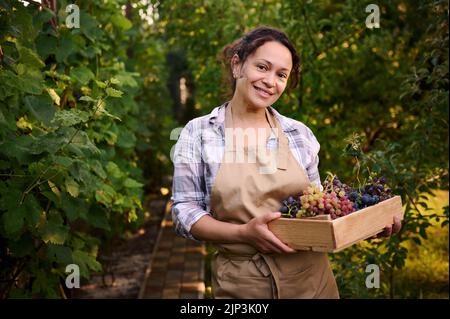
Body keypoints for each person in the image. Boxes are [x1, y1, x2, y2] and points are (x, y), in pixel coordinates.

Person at [170, 25, 401, 299]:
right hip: (242, 284)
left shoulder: (299, 134)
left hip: (312, 281)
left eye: (281, 74)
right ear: (237, 66)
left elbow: (317, 211)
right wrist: (243, 233)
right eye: (262, 67)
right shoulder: (198, 133)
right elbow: (184, 212)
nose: (270, 81)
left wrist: (365, 226)